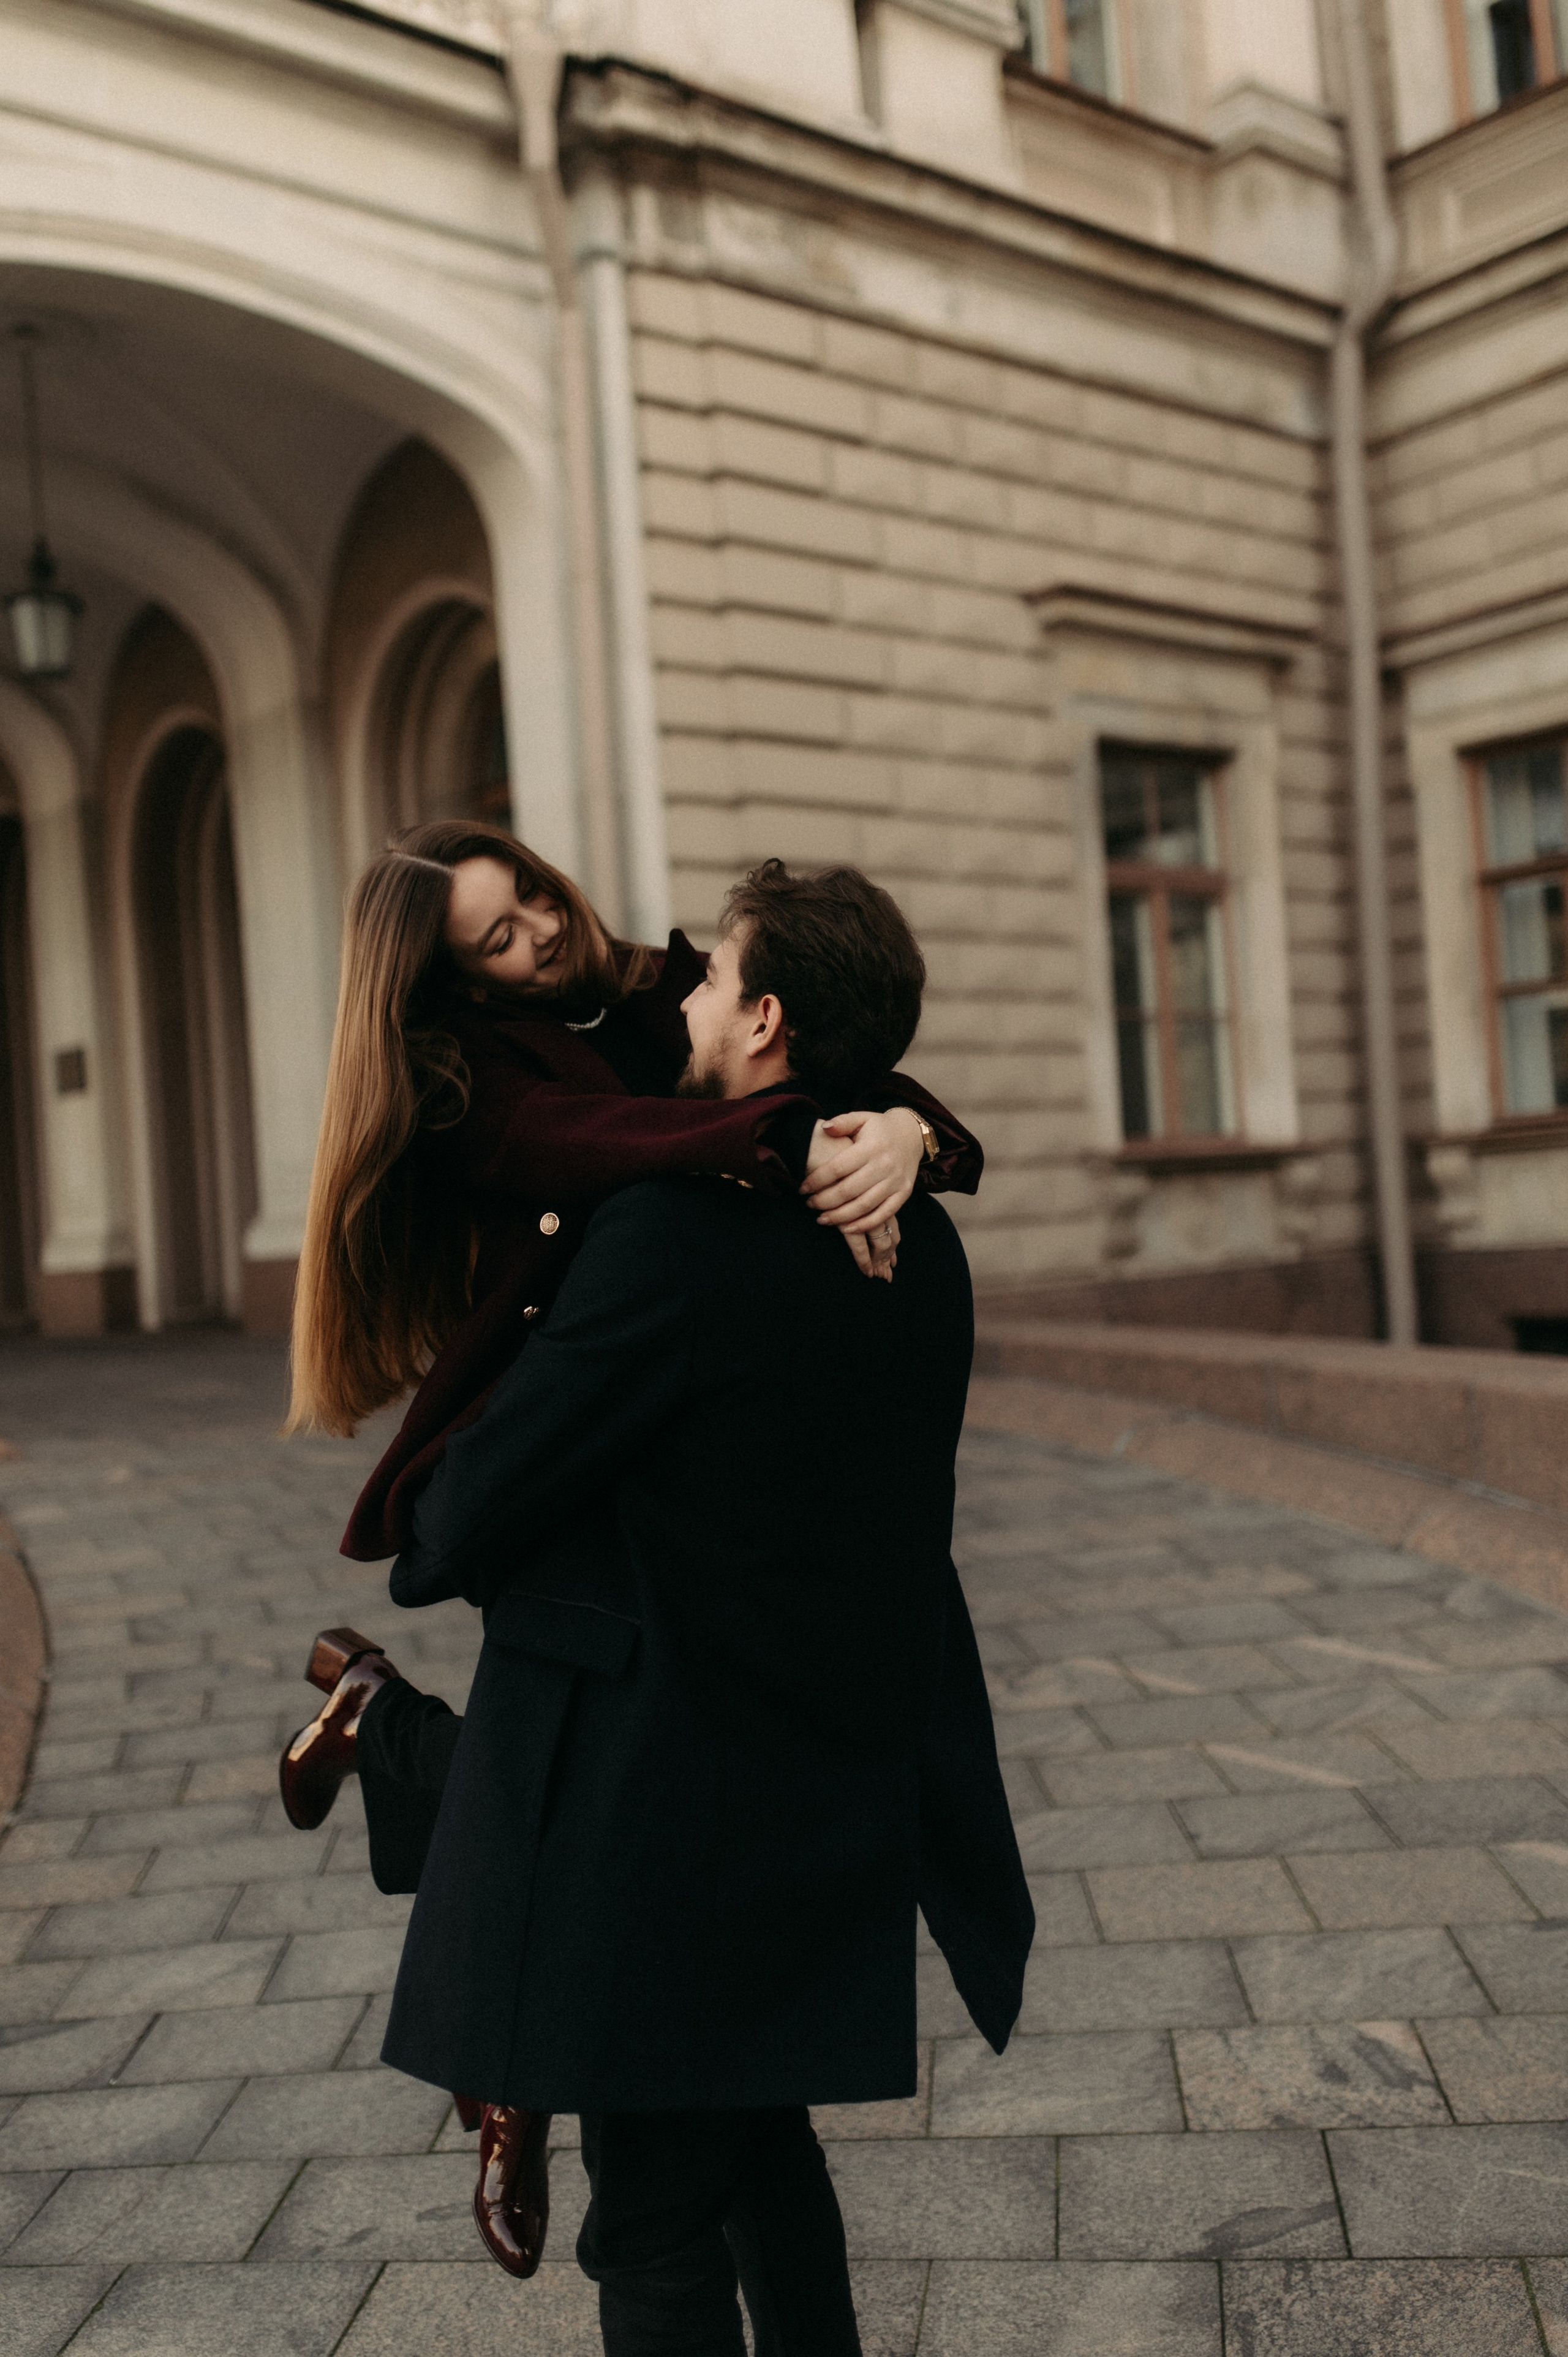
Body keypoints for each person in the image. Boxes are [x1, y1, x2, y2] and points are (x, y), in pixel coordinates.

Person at [379, 860, 1033, 2353]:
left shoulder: (673, 1237)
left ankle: (388, 1740)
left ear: (766, 1019)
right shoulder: (915, 1240)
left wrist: (437, 1496)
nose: (687, 991)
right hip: (823, 1766)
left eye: (715, 973)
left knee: (654, 2219)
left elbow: (467, 1519)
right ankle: (392, 1746)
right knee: (760, 2156)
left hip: (663, 1803)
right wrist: (908, 1127)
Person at [279, 822, 982, 1885]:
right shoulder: (459, 1077)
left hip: (680, 1393)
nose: (547, 930)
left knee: (652, 1771)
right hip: (567, 1405)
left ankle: (378, 1722)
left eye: (532, 895)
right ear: (455, 980)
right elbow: (600, 1139)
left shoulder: (656, 984)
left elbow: (823, 1032)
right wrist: (788, 1137)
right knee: (610, 1782)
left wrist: (904, 1131)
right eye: (500, 938)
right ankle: (381, 1730)